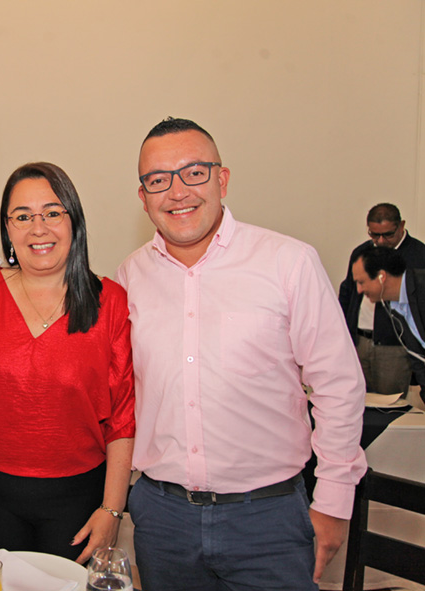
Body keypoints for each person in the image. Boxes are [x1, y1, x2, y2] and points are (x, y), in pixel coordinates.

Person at [116, 117, 367, 590]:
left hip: (268, 519)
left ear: (222, 179)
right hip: (162, 519)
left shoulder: (287, 262)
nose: (177, 192)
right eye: (158, 180)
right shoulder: (129, 278)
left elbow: (339, 386)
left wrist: (333, 503)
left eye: (194, 172)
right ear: (143, 196)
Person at [0, 162, 135, 563]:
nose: (37, 228)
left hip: (79, 499)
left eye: (52, 213)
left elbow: (123, 418)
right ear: (7, 230)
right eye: (22, 217)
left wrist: (112, 510)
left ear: (74, 220)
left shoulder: (109, 302)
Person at [338, 203, 425, 394]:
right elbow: (347, 293)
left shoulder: (420, 255)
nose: (381, 240)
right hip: (360, 339)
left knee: (390, 402)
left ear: (401, 226)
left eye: (388, 234)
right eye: (374, 235)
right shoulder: (361, 253)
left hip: (394, 346)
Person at [351, 245, 425, 398]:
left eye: (361, 282)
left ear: (381, 277)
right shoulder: (394, 306)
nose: (358, 290)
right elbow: (417, 357)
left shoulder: (422, 287)